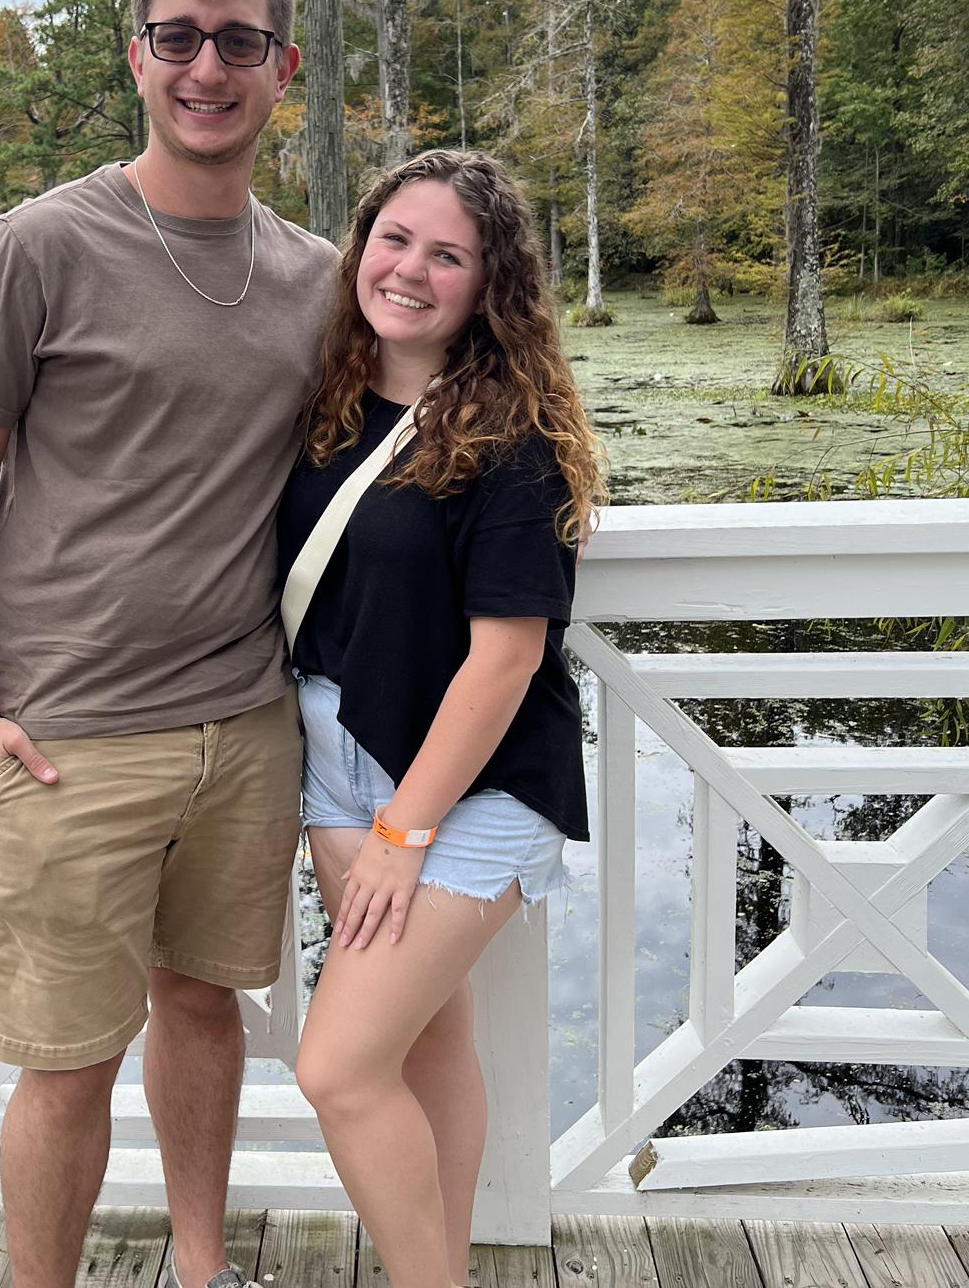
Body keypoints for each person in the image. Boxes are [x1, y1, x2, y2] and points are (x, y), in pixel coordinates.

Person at [0, 0, 338, 1288]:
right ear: (138, 55)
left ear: (284, 69)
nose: (207, 67)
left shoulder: (323, 280)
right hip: (67, 734)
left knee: (204, 1008)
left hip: (245, 726)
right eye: (178, 38)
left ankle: (200, 1268)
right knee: (63, 1063)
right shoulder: (33, 251)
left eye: (239, 43)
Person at [277, 150, 605, 1288]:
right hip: (335, 767)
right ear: (360, 244)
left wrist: (407, 833)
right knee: (423, 1042)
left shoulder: (515, 435)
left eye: (447, 255)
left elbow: (508, 658)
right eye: (394, 239)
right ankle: (444, 1260)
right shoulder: (325, 399)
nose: (410, 269)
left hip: (474, 789)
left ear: (486, 285)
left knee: (337, 1068)